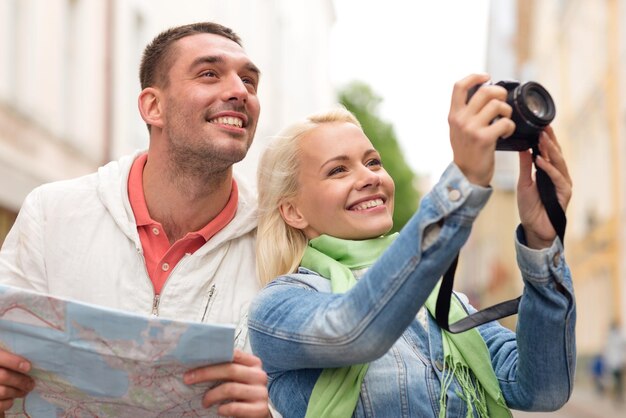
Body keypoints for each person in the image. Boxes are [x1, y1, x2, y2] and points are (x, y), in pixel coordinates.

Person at [248, 73, 576, 417]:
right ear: (293, 211)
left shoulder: (445, 304)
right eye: (338, 170)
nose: (370, 177)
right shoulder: (277, 307)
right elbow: (355, 330)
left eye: (372, 162)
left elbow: (543, 389)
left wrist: (541, 242)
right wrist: (462, 183)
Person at [0, 22, 270, 417]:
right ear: (152, 106)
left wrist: (271, 413)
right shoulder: (51, 212)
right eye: (209, 73)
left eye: (249, 80)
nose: (239, 91)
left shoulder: (278, 243)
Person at [605, 321, 625, 403]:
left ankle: (617, 396)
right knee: (617, 380)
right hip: (615, 362)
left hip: (616, 362)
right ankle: (616, 395)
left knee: (617, 380)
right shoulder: (615, 336)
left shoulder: (612, 337)